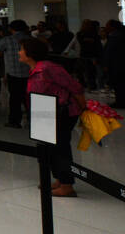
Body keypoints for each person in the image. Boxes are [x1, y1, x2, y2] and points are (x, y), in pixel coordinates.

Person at [21, 36, 86, 197]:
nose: (19, 52)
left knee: (60, 147)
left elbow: (74, 87)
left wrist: (83, 108)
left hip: (61, 112)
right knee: (48, 148)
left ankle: (67, 184)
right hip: (45, 113)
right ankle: (59, 179)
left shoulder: (48, 68)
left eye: (21, 49)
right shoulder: (36, 68)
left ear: (30, 53)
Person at [0, 19, 31, 127]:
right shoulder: (31, 39)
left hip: (13, 74)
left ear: (11, 29)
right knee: (29, 98)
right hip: (30, 74)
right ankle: (33, 120)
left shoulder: (6, 40)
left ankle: (14, 121)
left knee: (15, 98)